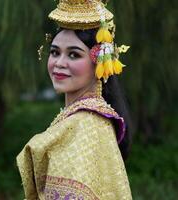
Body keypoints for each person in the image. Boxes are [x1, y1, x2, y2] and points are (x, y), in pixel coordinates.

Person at [16, 0, 132, 199]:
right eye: (54, 52)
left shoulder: (86, 125)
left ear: (99, 62)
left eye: (73, 55)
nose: (59, 63)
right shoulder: (86, 120)